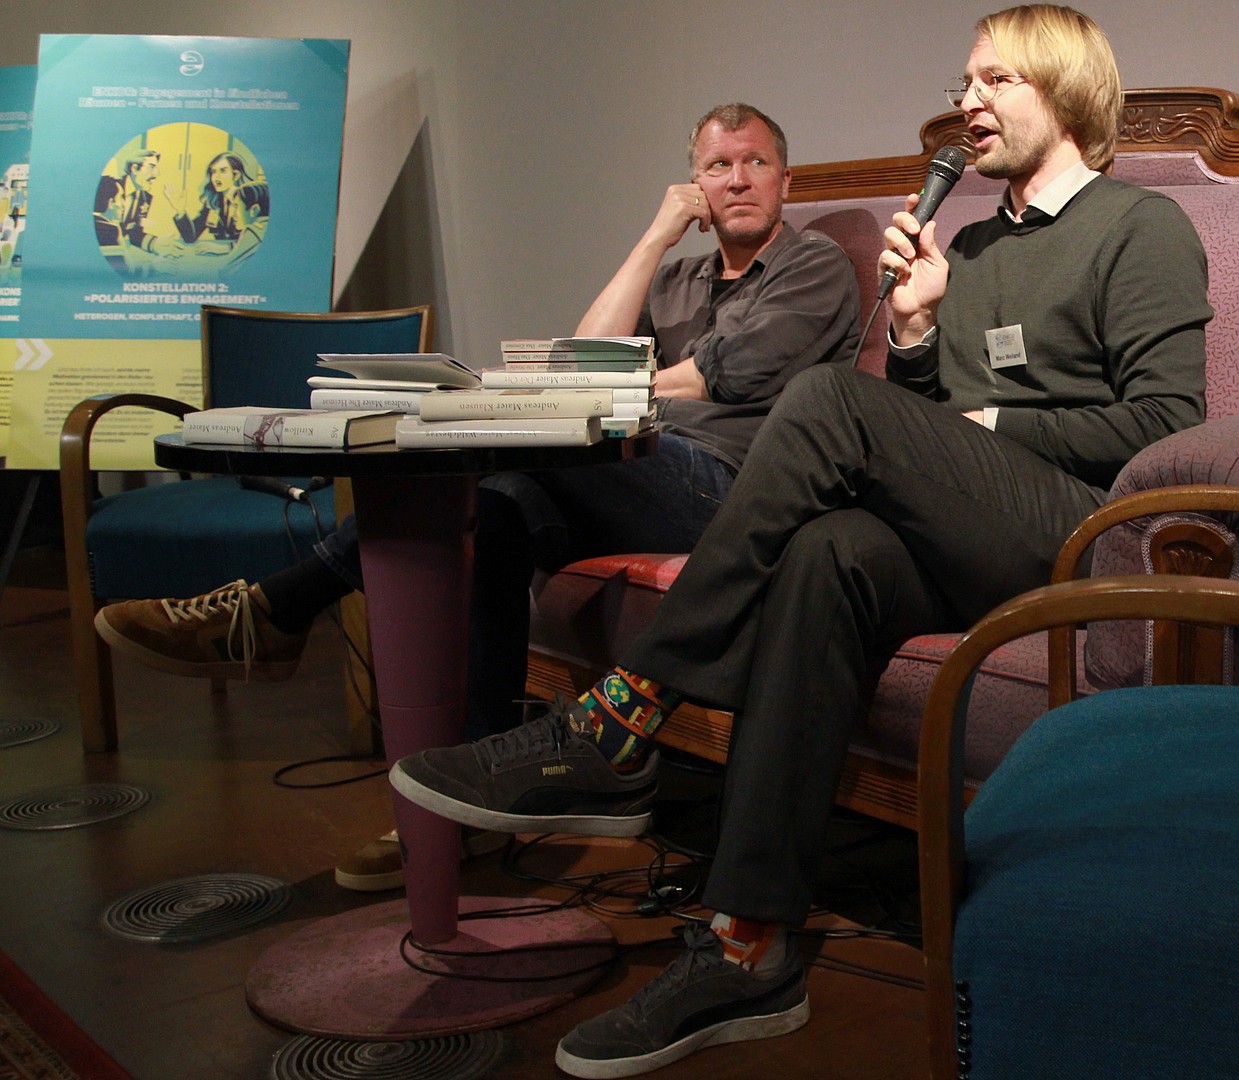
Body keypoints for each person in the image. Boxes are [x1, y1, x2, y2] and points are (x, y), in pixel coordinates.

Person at [388, 5, 1213, 1076]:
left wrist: (986, 424)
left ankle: (624, 715)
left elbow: (1164, 427)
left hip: (1072, 530)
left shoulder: (1139, 227)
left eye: (994, 81)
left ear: (1064, 89)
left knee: (824, 397)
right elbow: (931, 427)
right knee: (828, 557)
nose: (966, 103)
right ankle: (749, 941)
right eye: (965, 83)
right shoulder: (968, 246)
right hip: (975, 530)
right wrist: (916, 334)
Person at [93, 102, 862, 887]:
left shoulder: (814, 264)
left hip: (727, 489)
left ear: (786, 180)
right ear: (693, 184)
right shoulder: (676, 276)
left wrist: (602, 392)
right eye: (718, 165)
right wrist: (653, 239)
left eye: (756, 162)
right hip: (630, 475)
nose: (738, 179)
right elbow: (577, 363)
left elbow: (733, 374)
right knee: (492, 505)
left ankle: (278, 607)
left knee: (516, 447)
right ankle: (469, 807)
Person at [93, 149, 161, 256]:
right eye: (151, 167)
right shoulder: (108, 188)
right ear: (134, 169)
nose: (156, 174)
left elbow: (134, 233)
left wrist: (156, 244)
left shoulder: (145, 198)